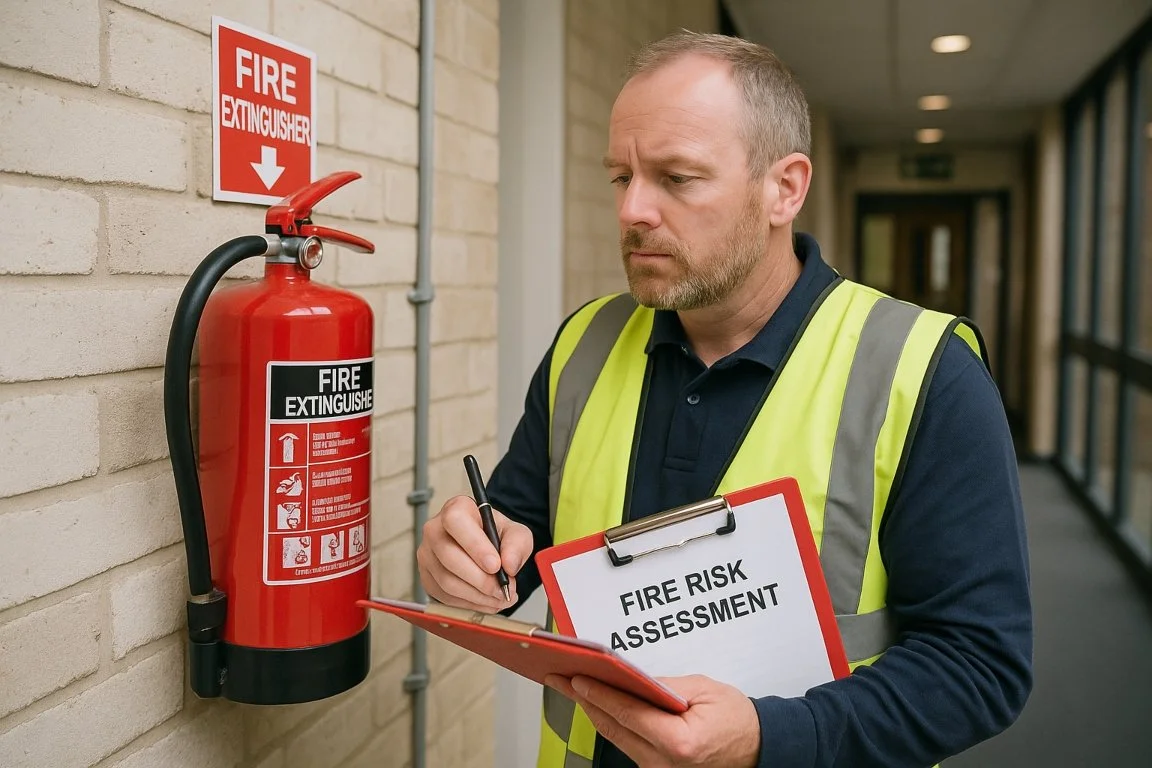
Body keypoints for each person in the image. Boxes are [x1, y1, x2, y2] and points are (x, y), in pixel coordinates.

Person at [416, 30, 1033, 768]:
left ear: (785, 188)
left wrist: (768, 738)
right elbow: (521, 537)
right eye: (621, 177)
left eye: (677, 178)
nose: (633, 210)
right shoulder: (585, 343)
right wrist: (475, 561)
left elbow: (979, 666)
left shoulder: (923, 371)